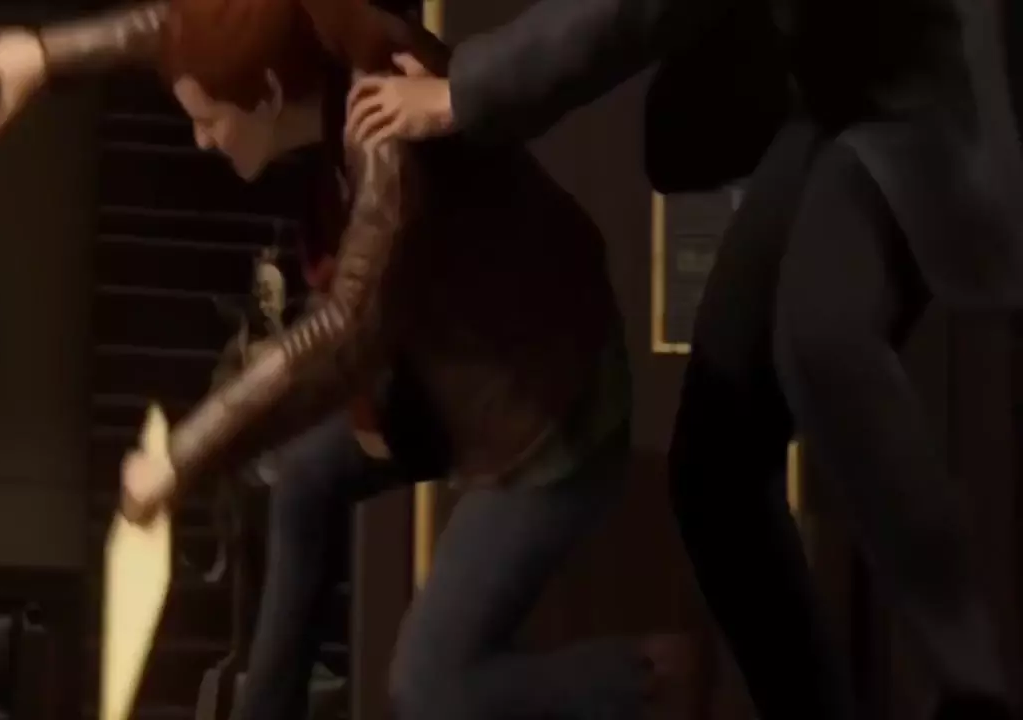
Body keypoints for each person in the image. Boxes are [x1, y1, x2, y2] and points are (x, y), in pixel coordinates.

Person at [0, 0, 699, 718]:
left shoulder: (385, 137)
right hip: (442, 378)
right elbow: (173, 27)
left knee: (430, 689)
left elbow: (344, 332)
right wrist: (45, 54)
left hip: (543, 414)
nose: (201, 139)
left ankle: (651, 676)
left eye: (209, 119)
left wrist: (182, 455)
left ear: (269, 95)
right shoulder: (296, 32)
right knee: (305, 477)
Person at [346, 1, 1023, 719]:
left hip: (927, 104)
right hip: (834, 100)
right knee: (713, 464)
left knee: (822, 339)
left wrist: (463, 92)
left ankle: (975, 691)